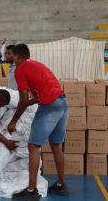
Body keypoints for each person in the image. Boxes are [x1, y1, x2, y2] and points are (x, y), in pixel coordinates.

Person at [8, 44, 69, 200]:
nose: (10, 58)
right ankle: (61, 185)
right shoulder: (37, 65)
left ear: (18, 57)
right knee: (56, 146)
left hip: (49, 106)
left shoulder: (20, 69)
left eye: (11, 55)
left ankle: (31, 191)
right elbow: (40, 93)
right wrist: (28, 103)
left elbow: (22, 99)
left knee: (33, 146)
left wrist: (13, 121)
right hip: (62, 103)